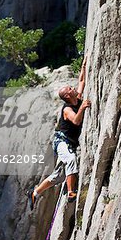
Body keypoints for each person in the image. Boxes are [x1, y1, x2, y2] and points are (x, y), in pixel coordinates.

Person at [27, 56, 91, 210]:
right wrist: (82, 108)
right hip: (61, 141)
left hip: (68, 142)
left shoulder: (78, 98)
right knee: (70, 159)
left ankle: (35, 192)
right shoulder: (67, 109)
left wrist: (83, 67)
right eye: (70, 89)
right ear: (68, 96)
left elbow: (82, 82)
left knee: (59, 175)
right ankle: (71, 193)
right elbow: (76, 121)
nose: (73, 88)